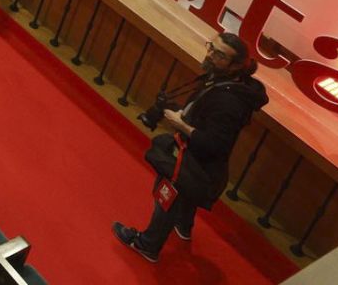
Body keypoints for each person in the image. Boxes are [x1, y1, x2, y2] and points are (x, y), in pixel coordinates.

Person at [114, 33, 269, 262]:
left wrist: (181, 124)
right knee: (184, 199)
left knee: (167, 201)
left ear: (235, 66)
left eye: (219, 55)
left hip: (196, 164)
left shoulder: (229, 102)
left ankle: (147, 245)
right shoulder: (228, 81)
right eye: (211, 47)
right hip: (203, 165)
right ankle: (183, 226)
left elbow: (215, 144)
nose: (210, 55)